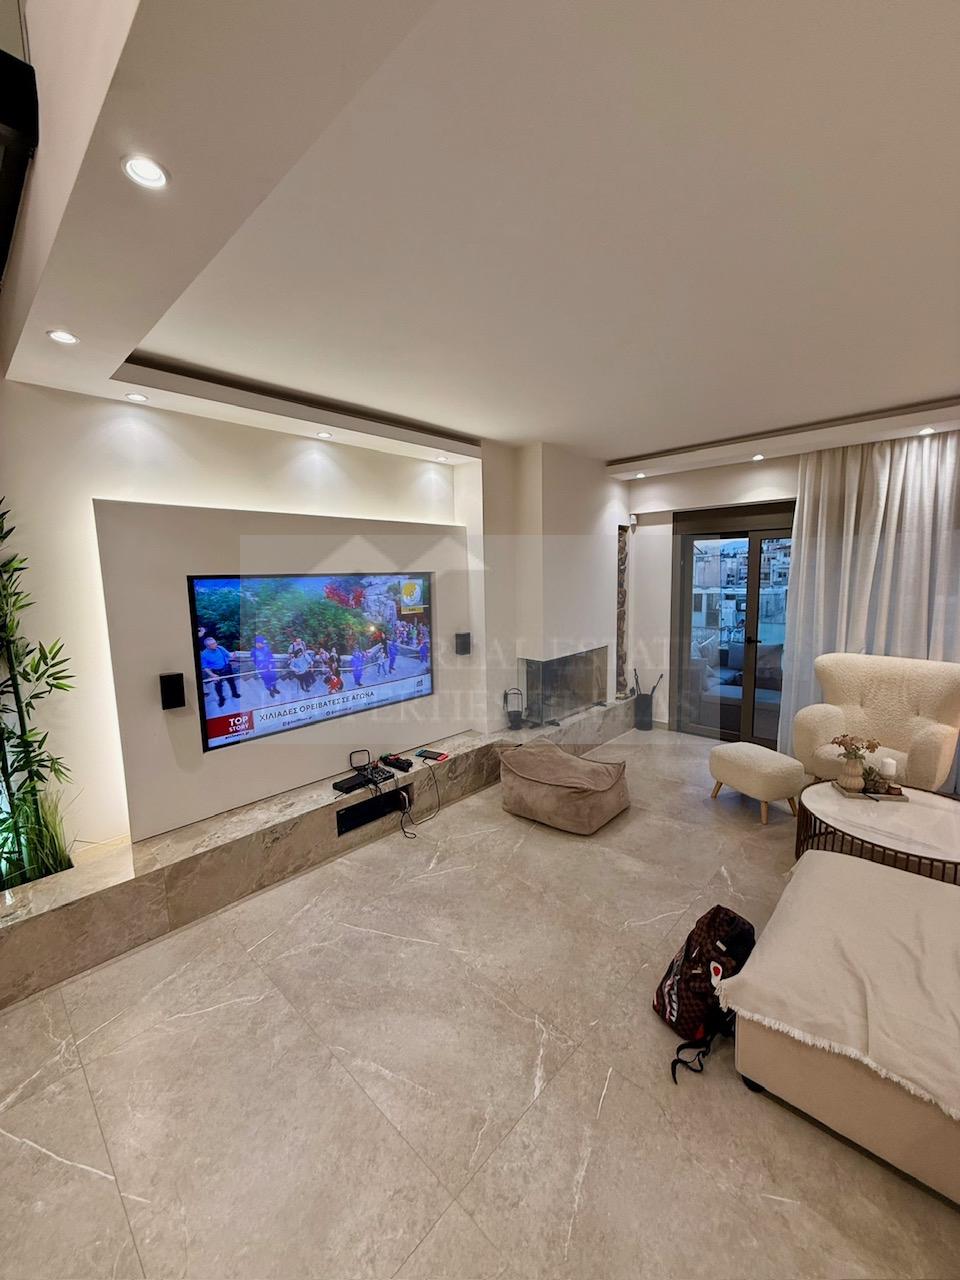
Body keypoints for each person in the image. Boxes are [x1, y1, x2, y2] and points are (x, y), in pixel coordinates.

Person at [200, 635, 241, 708]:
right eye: (213, 644)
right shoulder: (204, 655)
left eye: (215, 642)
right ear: (208, 646)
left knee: (232, 682)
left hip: (227, 668)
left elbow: (229, 655)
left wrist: (233, 656)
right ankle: (221, 699)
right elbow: (205, 667)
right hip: (216, 672)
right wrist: (212, 675)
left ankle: (234, 694)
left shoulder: (220, 648)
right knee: (218, 687)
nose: (216, 644)